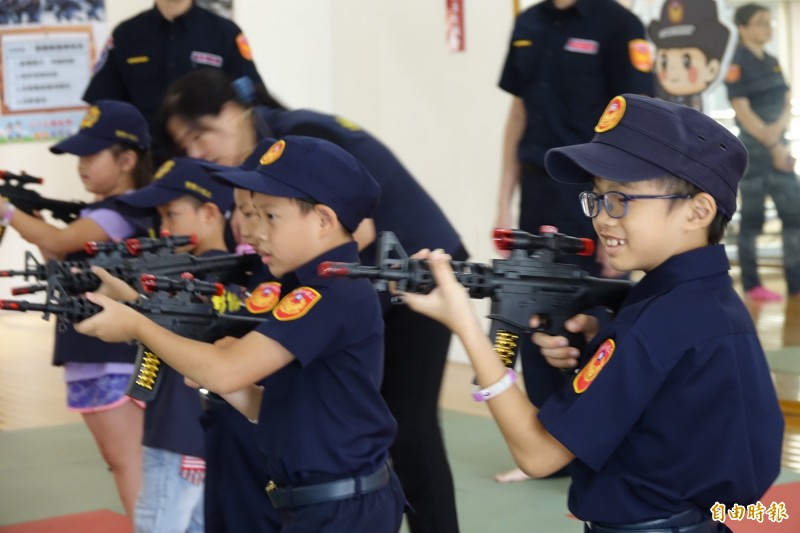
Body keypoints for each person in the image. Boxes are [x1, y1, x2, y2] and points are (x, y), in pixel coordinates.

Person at [400, 94, 784, 531]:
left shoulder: (652, 324)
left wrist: (466, 328)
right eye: (597, 198)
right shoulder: (705, 302)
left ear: (698, 210)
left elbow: (538, 455)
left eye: (622, 199)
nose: (602, 218)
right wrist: (596, 346)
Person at [158, 68, 465, 533]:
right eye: (186, 146)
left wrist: (282, 316)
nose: (197, 152)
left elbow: (352, 232)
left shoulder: (300, 141)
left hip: (418, 276)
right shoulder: (264, 160)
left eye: (200, 135)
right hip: (362, 277)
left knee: (409, 428)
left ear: (232, 111)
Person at [75, 136, 406, 532]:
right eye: (251, 215)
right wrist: (142, 313)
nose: (253, 233)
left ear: (323, 220)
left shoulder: (330, 293)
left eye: (270, 217)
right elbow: (271, 408)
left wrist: (137, 325)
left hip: (342, 509)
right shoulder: (310, 288)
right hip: (319, 503)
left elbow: (227, 370)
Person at [493, 0, 655, 483]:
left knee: (595, 321)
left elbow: (633, 129)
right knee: (536, 314)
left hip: (594, 199)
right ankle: (545, 446)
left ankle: (599, 446)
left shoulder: (620, 25)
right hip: (537, 194)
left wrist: (615, 218)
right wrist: (502, 201)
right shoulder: (528, 22)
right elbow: (517, 112)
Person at [0, 100, 154, 521]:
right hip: (91, 352)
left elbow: (64, 241)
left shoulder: (124, 211)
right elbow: (57, 253)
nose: (82, 165)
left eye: (91, 155)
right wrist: (24, 217)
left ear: (126, 159)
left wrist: (9, 211)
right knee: (119, 461)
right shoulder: (96, 213)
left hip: (116, 356)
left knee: (129, 462)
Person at [115, 157, 235, 532]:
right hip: (180, 432)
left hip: (178, 435)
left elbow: (201, 357)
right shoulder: (201, 275)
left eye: (172, 215)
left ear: (210, 213)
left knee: (158, 522)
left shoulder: (212, 279)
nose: (164, 229)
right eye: (160, 218)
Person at [82, 0, 262, 152]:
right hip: (145, 164)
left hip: (207, 161)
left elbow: (250, 101)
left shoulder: (224, 33)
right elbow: (103, 106)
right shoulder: (126, 35)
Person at [725, 3, 800, 302]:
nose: (768, 28)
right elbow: (742, 110)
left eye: (770, 22)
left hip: (779, 150)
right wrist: (772, 143)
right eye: (760, 23)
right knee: (752, 221)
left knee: (793, 216)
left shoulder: (772, 61)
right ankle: (753, 284)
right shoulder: (737, 63)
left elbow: (785, 100)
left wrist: (779, 136)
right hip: (755, 154)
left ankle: (795, 282)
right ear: (743, 28)